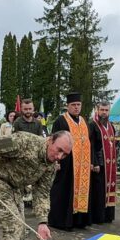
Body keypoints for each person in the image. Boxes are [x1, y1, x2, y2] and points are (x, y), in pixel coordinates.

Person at [48, 93, 92, 230]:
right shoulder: (60, 121)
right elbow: (53, 142)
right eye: (73, 105)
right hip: (66, 164)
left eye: (78, 105)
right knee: (63, 191)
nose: (76, 107)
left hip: (82, 165)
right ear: (68, 106)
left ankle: (78, 220)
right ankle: (60, 221)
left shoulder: (84, 122)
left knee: (80, 191)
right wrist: (55, 161)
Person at [88, 101, 118, 223]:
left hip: (110, 164)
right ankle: (98, 216)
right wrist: (94, 162)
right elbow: (91, 145)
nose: (104, 113)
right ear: (97, 110)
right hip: (99, 164)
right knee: (98, 190)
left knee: (108, 188)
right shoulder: (92, 125)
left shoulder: (111, 126)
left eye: (106, 110)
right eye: (102, 110)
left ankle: (108, 215)